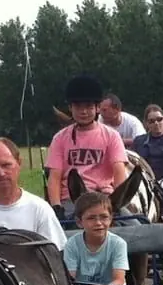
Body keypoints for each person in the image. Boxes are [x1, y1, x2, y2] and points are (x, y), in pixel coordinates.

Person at [45, 74, 131, 217]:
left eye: (88, 106)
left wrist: (118, 202)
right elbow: (54, 177)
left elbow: (119, 171)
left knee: (136, 224)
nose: (83, 111)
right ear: (70, 108)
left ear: (97, 108)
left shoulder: (111, 136)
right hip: (72, 201)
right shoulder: (60, 139)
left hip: (105, 199)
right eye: (78, 107)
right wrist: (56, 207)